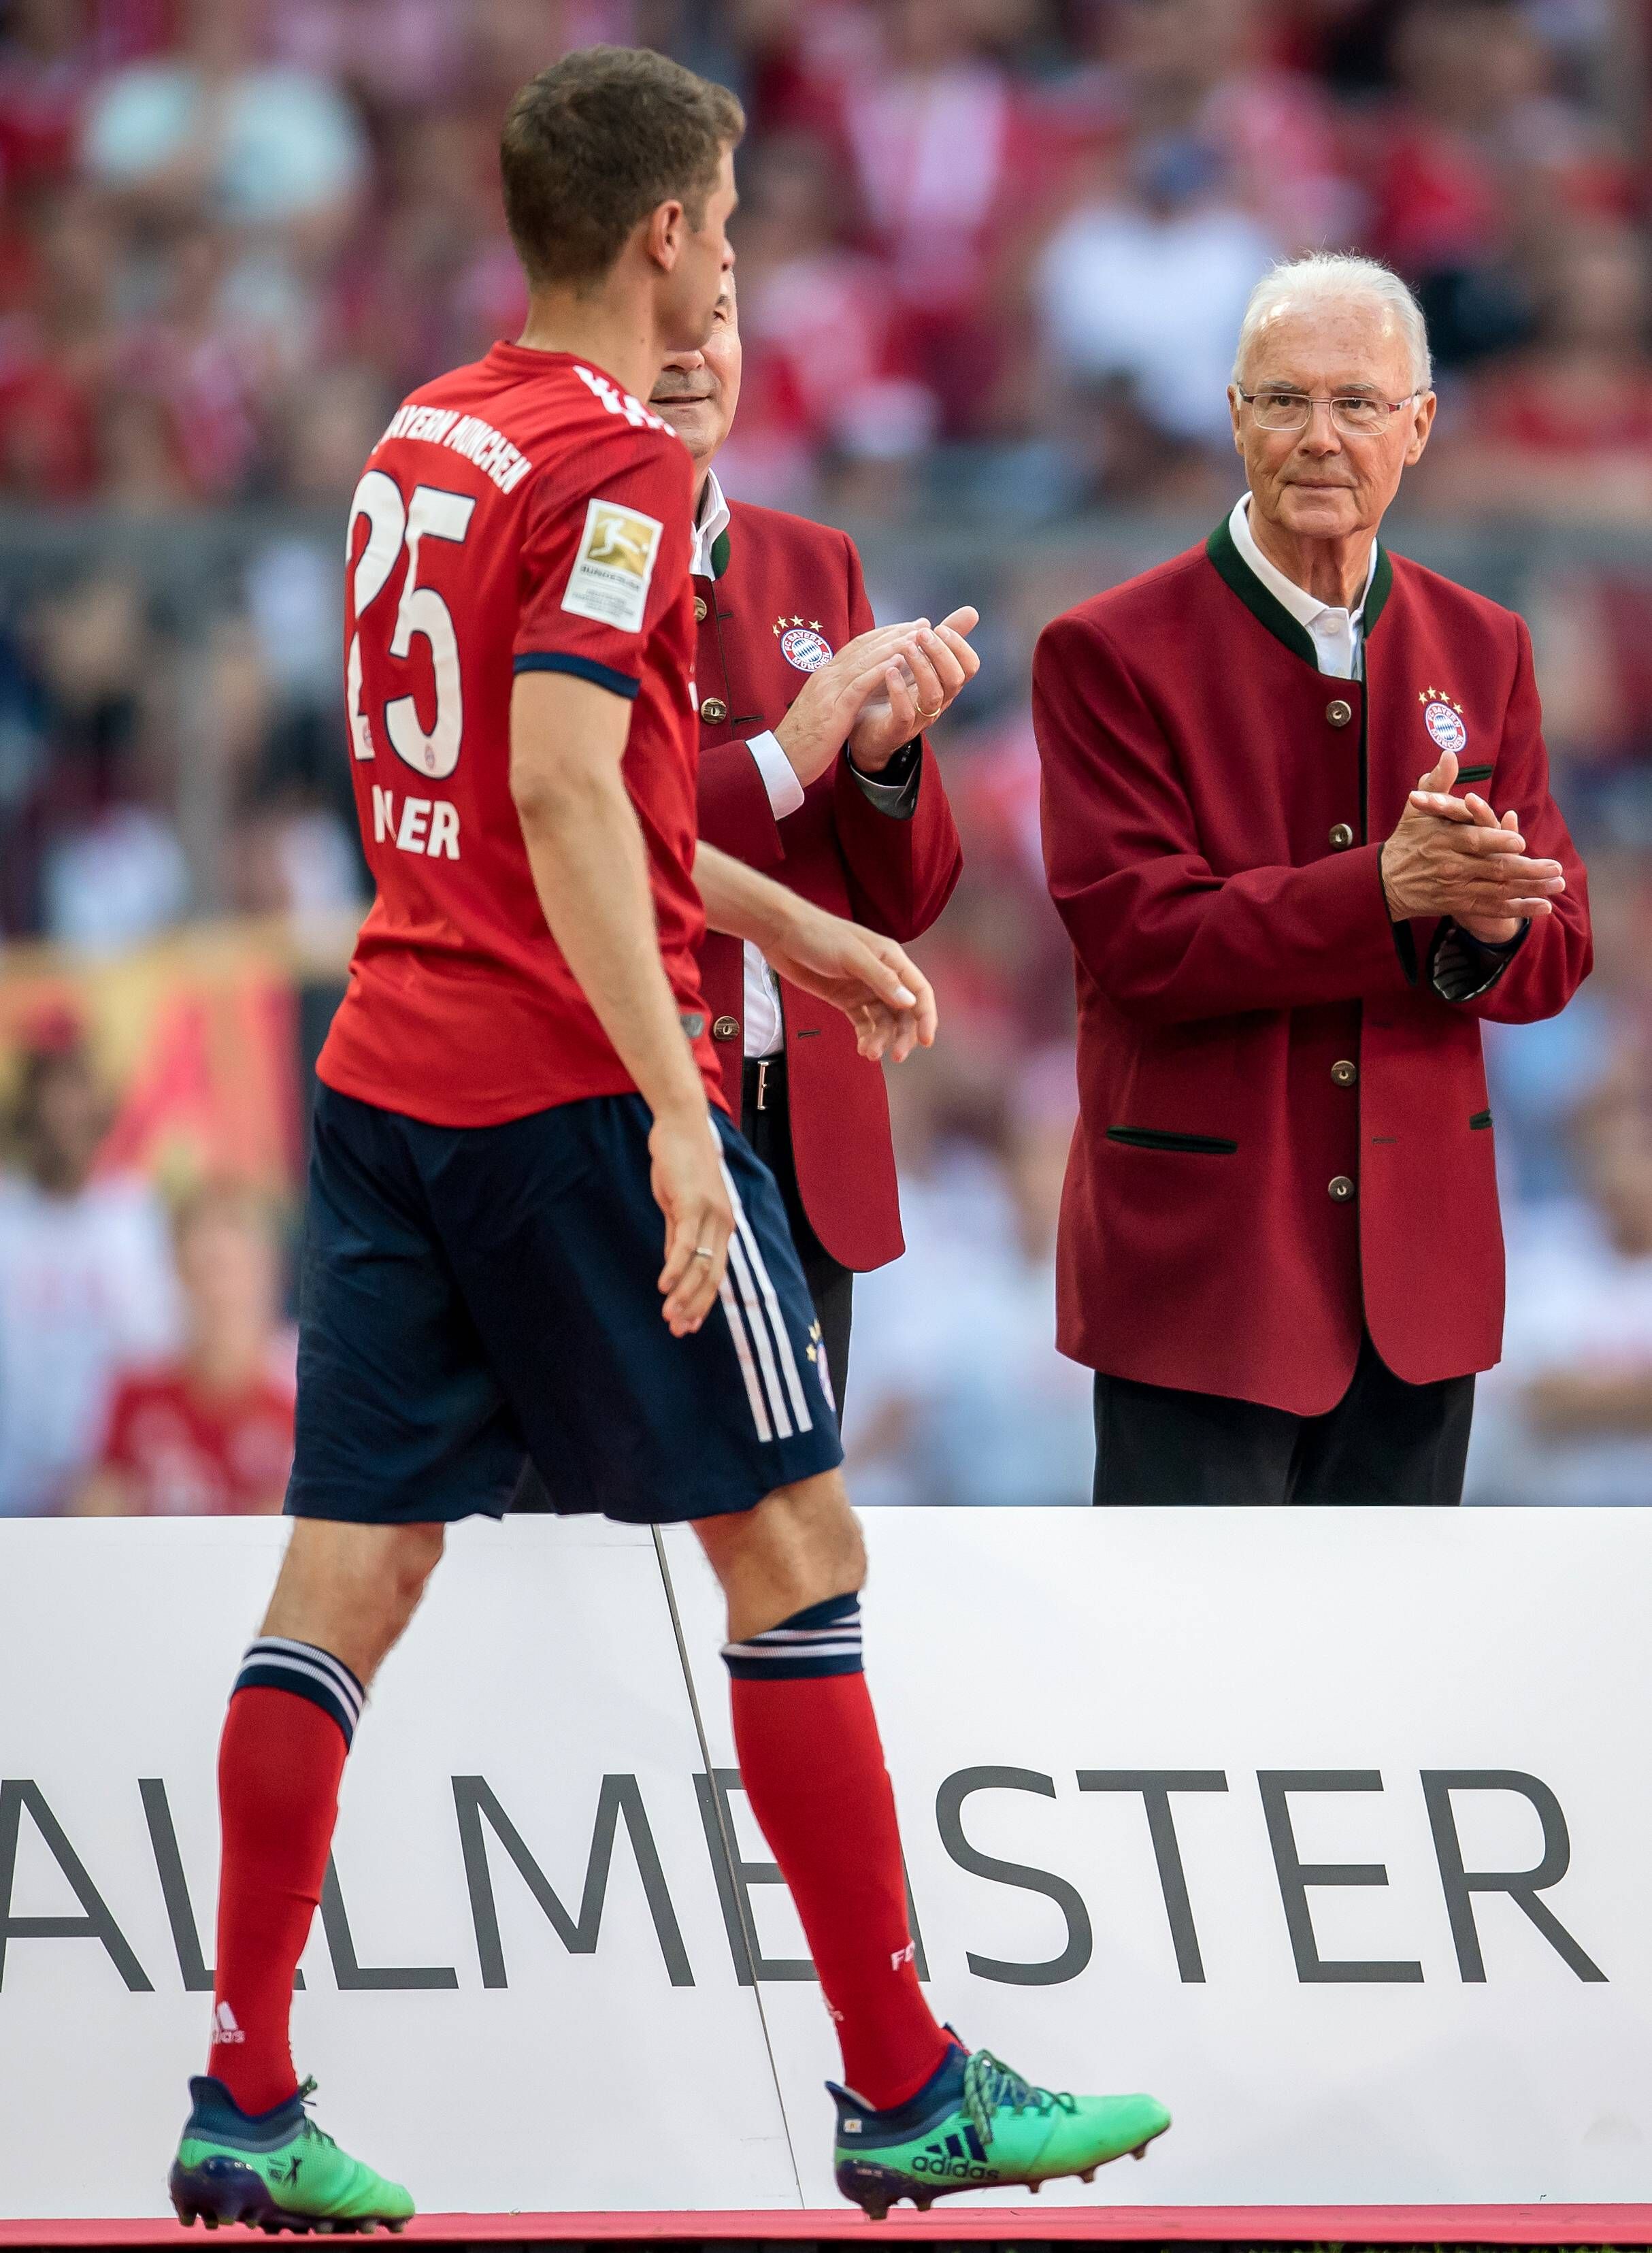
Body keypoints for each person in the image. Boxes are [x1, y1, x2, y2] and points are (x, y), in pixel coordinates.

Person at [167, 49, 1168, 2235]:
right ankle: (905, 2081)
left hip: (384, 1079)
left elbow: (547, 819)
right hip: (552, 1098)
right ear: (664, 237)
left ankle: (241, 2086)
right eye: (717, 219)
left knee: (341, 1578)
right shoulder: (619, 470)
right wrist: (672, 1111)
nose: (729, 251)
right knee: (796, 1546)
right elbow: (553, 795)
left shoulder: (419, 433)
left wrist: (794, 906)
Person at [1034, 251, 1592, 1507]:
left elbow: (1559, 946)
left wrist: (1492, 920)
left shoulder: (1484, 642)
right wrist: (1386, 892)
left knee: (1386, 1684)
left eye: (1355, 403)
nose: (1317, 437)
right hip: (1201, 1278)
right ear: (1234, 416)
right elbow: (1139, 943)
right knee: (1188, 1675)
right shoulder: (1107, 648)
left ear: (1419, 426)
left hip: (1421, 1273)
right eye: (1281, 400)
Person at [650, 272, 968, 1409]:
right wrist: (790, 753)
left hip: (807, 1134)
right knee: (606, 1517)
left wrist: (884, 759)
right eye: (660, 324)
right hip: (639, 1125)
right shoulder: (563, 565)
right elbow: (589, 837)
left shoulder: (814, 558)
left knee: (788, 1507)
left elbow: (911, 897)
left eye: (718, 321)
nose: (693, 353)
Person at [0, 1026, 180, 1515]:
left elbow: (161, 1349)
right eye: (51, 1094)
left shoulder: (135, 1212)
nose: (64, 1114)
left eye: (77, 1093)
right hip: (12, 1495)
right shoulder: (6, 1217)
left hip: (115, 1494)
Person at [73, 1180, 294, 1517]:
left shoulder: (303, 1409)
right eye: (201, 1270)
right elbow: (96, 1509)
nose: (217, 1293)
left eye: (231, 1268)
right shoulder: (136, 1395)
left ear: (268, 1271)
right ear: (177, 1272)